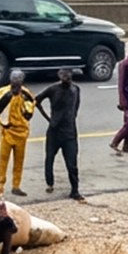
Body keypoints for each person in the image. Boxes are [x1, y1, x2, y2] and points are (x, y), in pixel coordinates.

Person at [0, 71, 37, 197]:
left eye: (18, 79)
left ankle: (16, 185)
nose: (16, 81)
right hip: (7, 132)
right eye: (14, 78)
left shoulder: (26, 94)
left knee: (19, 161)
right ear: (10, 79)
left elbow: (30, 111)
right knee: (3, 161)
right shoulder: (2, 93)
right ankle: (0, 187)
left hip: (22, 133)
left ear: (22, 80)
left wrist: (24, 113)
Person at [35, 69, 84, 200]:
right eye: (63, 77)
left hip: (69, 132)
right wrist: (48, 118)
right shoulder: (53, 89)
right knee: (49, 158)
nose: (66, 80)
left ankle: (75, 189)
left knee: (72, 163)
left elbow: (76, 105)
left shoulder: (75, 89)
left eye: (68, 78)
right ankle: (50, 182)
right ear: (60, 77)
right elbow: (36, 100)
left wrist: (72, 117)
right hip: (54, 131)